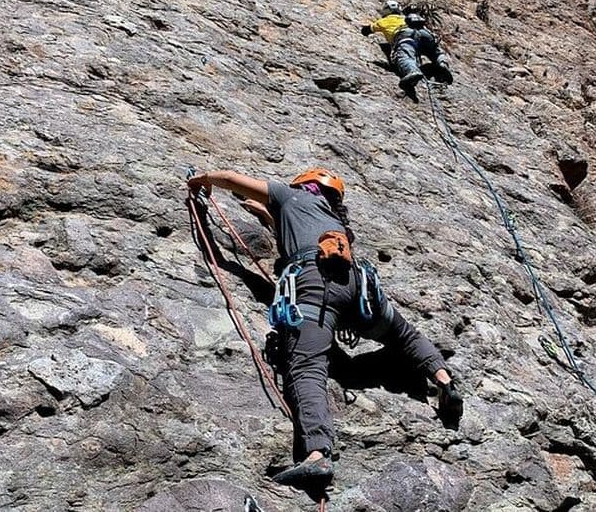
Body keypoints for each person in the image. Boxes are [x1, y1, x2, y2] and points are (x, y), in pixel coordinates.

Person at [188, 168, 463, 488]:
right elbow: (295, 232)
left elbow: (232, 179)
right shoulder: (335, 221)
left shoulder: (290, 195)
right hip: (357, 289)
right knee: (404, 334)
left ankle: (317, 454)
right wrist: (267, 215)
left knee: (306, 366)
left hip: (315, 287)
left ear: (304, 185)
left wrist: (201, 180)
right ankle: (443, 379)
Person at [361, 0, 454, 93]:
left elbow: (367, 30)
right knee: (434, 51)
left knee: (405, 56)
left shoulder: (385, 20)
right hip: (424, 33)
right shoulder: (405, 17)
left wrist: (365, 29)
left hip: (406, 36)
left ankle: (412, 71)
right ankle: (442, 64)